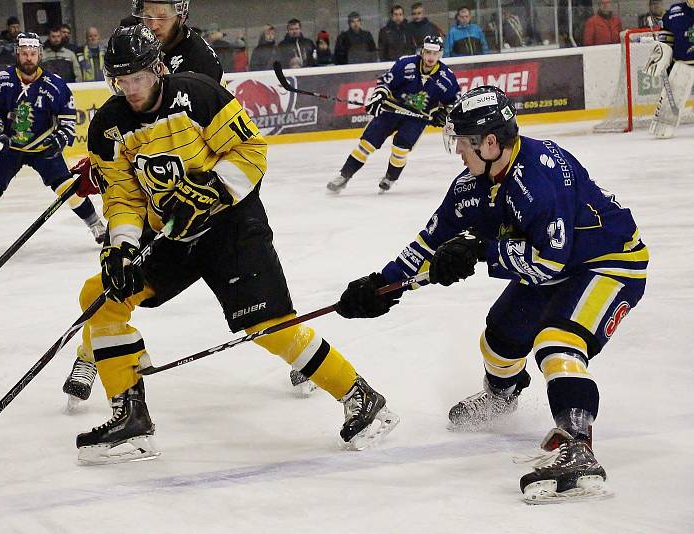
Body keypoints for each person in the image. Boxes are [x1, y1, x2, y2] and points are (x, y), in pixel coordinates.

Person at [70, 24, 399, 464]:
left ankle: (359, 395)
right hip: (172, 234)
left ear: (158, 68)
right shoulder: (109, 126)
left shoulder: (199, 96)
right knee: (101, 295)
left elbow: (251, 152)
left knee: (270, 327)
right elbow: (123, 196)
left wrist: (208, 193)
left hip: (232, 226)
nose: (129, 89)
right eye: (120, 80)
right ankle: (132, 419)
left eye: (138, 78)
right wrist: (123, 247)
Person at [334, 85, 648, 503]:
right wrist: (382, 284)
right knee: (498, 339)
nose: (458, 152)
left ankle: (578, 448)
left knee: (557, 342)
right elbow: (428, 243)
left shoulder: (539, 178)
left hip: (608, 264)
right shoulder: (473, 183)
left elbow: (549, 263)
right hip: (555, 266)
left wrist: (482, 250)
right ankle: (502, 396)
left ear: (490, 142)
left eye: (463, 143)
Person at [62, 0, 224, 405]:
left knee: (244, 267)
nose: (151, 22)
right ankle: (92, 354)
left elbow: (186, 132)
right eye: (145, 14)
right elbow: (128, 117)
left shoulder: (200, 58)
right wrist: (106, 162)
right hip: (145, 189)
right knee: (115, 271)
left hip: (193, 188)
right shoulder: (129, 36)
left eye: (161, 15)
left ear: (182, 14)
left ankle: (283, 334)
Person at [0, 33, 105, 252]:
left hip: (43, 149)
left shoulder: (55, 84)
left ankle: (95, 225)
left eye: (33, 54)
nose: (28, 58)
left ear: (39, 54)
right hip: (11, 148)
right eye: (24, 54)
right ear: (17, 54)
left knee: (68, 189)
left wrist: (59, 138)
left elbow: (68, 117)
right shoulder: (1, 80)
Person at [328, 35, 459, 194]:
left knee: (400, 150)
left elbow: (454, 102)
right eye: (427, 52)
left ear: (440, 54)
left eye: (434, 53)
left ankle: (390, 177)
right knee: (366, 144)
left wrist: (444, 113)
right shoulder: (406, 64)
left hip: (417, 118)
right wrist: (378, 96)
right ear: (422, 52)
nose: (430, 57)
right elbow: (384, 83)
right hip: (391, 109)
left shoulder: (447, 78)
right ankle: (344, 176)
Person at [132, 0, 223, 81]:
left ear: (182, 16)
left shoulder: (200, 63)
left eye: (163, 17)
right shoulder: (142, 39)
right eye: (147, 17)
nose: (153, 26)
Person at [643, 0, 694, 138]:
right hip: (683, 65)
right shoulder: (674, 13)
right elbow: (667, 40)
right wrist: (661, 55)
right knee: (676, 85)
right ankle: (664, 124)